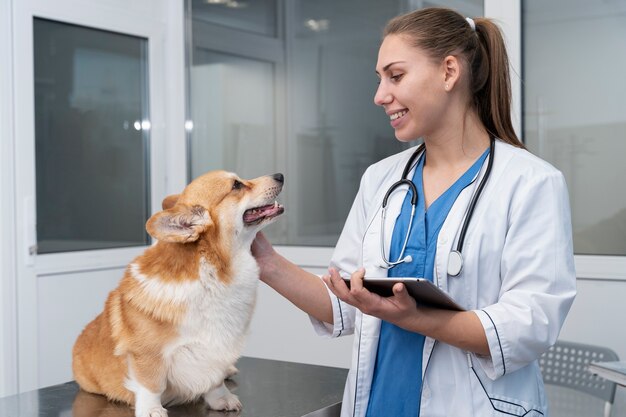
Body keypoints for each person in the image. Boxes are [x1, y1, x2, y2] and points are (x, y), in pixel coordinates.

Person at [252, 7, 576, 417]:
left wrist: (418, 318)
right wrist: (264, 261)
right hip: (379, 404)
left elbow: (530, 325)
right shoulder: (381, 179)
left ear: (449, 72)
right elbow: (346, 303)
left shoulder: (530, 183)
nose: (379, 95)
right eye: (380, 79)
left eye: (396, 75)